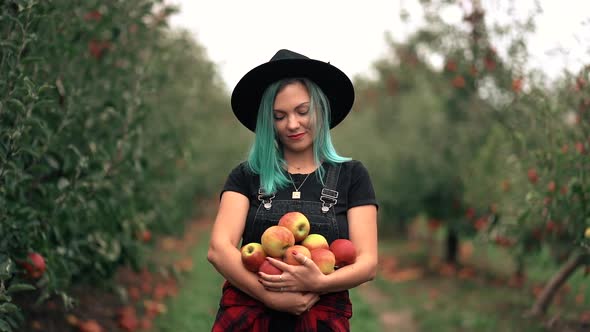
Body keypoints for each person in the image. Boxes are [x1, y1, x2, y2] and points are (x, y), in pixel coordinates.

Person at [208, 49, 378, 332]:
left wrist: (320, 283)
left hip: (320, 320)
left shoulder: (351, 176)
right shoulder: (247, 176)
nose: (292, 124)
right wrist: (268, 297)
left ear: (320, 109)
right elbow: (218, 250)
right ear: (268, 122)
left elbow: (367, 262)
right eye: (279, 116)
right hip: (249, 319)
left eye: (302, 111)